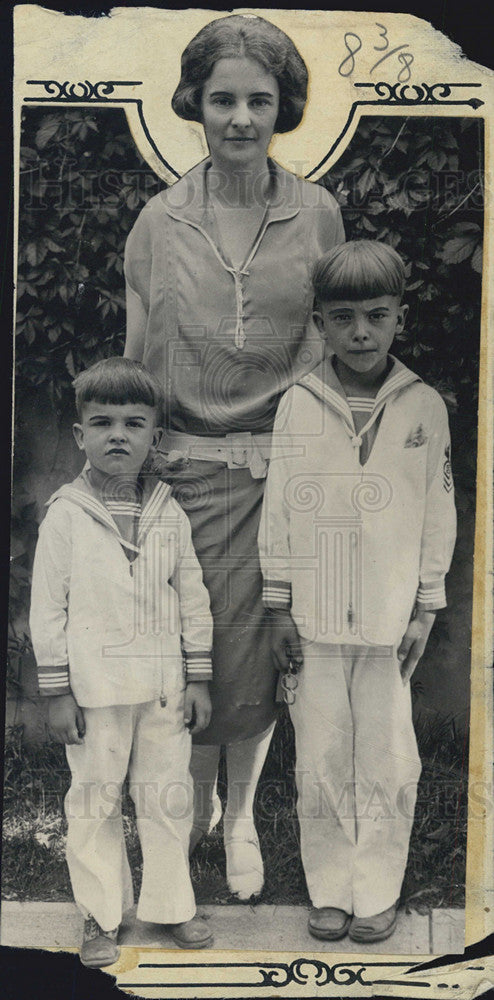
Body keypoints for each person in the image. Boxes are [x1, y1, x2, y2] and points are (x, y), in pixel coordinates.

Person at [124, 14, 345, 899]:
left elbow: (328, 350)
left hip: (281, 478)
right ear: (195, 107)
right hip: (182, 476)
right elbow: (138, 359)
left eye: (260, 100)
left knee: (256, 658)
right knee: (187, 653)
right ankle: (198, 808)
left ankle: (244, 812)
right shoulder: (158, 220)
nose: (242, 118)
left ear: (283, 107)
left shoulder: (318, 211)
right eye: (223, 100)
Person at [258, 240, 456, 942]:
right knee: (320, 756)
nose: (361, 333)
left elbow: (438, 513)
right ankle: (332, 890)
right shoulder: (298, 405)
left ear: (400, 315)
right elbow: (280, 507)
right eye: (343, 318)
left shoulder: (424, 406)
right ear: (319, 323)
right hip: (313, 616)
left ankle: (377, 890)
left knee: (388, 757)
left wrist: (427, 605)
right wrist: (279, 604)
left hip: (387, 618)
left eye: (377, 315)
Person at [29, 357, 215, 967]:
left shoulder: (169, 511)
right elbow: (47, 608)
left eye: (134, 424)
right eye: (102, 422)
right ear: (79, 434)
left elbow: (191, 595)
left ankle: (171, 907)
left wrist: (198, 677)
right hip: (94, 690)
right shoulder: (66, 515)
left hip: (164, 689)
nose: (118, 435)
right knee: (94, 800)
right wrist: (56, 692)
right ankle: (101, 914)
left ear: (154, 437)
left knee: (166, 795)